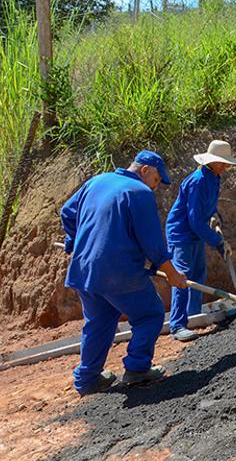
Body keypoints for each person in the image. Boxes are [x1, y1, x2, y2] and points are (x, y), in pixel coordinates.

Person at [60, 150, 188, 396]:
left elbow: (68, 213)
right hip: (118, 271)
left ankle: (87, 380)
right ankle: (138, 368)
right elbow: (152, 243)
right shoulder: (140, 193)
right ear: (145, 170)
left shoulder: (97, 181)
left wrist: (76, 240)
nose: (157, 185)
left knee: (98, 322)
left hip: (84, 269)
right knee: (150, 314)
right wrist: (171, 273)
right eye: (158, 179)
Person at [165, 140, 236, 342]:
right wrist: (218, 242)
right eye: (221, 162)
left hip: (196, 233)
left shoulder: (214, 177)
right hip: (182, 233)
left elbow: (206, 209)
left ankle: (194, 318)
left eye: (227, 163)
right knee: (182, 277)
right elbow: (193, 220)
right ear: (211, 161)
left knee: (198, 274)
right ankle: (178, 326)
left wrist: (215, 217)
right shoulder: (198, 180)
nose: (225, 166)